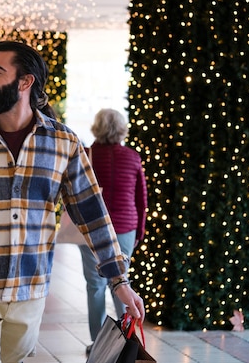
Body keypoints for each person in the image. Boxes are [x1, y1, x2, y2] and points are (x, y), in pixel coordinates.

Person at [0, 41, 145, 363]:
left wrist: (119, 281)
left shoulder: (64, 144)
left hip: (30, 287)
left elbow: (92, 213)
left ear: (25, 81)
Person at [79, 108, 148, 355]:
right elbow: (142, 199)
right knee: (121, 282)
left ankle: (98, 343)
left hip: (91, 231)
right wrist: (139, 231)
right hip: (126, 228)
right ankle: (125, 339)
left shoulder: (86, 156)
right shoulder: (132, 157)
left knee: (94, 285)